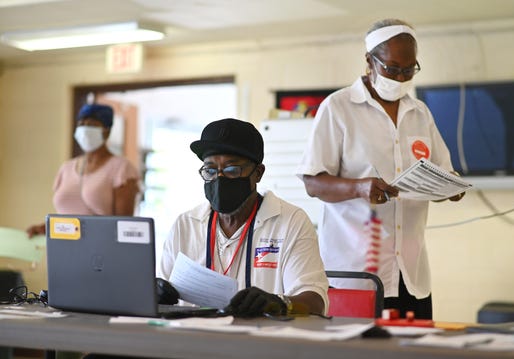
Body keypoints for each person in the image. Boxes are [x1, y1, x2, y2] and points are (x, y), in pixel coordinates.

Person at [297, 19, 465, 320]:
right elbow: (313, 182)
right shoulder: (338, 108)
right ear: (369, 61)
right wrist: (358, 188)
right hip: (357, 273)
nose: (400, 77)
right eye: (392, 68)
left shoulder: (420, 113)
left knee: (416, 351)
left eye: (409, 69)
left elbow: (444, 170)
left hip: (410, 274)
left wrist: (448, 189)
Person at [157, 118, 328, 317]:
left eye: (232, 170)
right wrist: (156, 292)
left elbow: (315, 301)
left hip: (262, 342)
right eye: (210, 170)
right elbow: (161, 290)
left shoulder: (290, 222)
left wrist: (279, 303)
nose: (219, 179)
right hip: (196, 340)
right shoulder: (186, 225)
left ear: (258, 173)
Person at [27, 103, 140, 237]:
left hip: (100, 252)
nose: (85, 128)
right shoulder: (66, 168)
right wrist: (45, 228)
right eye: (81, 124)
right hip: (64, 249)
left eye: (92, 124)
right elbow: (66, 219)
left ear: (107, 130)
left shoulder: (121, 168)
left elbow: (124, 227)